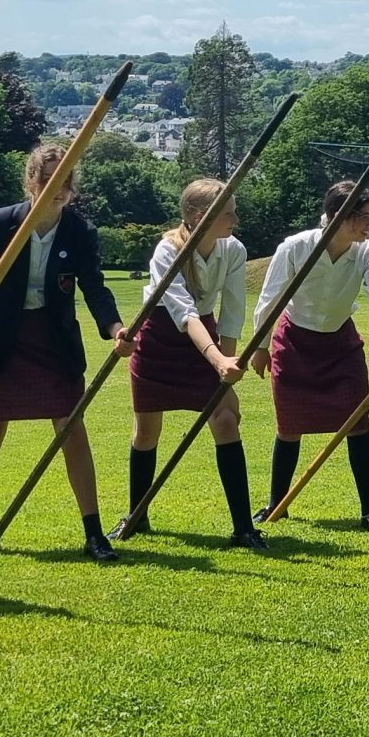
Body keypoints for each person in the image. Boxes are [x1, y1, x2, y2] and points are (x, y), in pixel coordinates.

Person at [0, 142, 128, 562]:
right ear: (31, 180)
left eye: (66, 180)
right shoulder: (0, 223)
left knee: (72, 430)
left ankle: (93, 533)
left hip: (54, 342)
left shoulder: (78, 231)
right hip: (1, 341)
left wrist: (116, 328)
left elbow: (94, 286)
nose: (58, 188)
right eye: (49, 178)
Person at [247, 180, 369, 529]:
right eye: (363, 217)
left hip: (341, 347)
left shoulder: (367, 253)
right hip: (294, 344)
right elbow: (270, 298)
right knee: (289, 428)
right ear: (338, 216)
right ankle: (277, 504)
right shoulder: (296, 247)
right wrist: (260, 347)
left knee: (357, 424)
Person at [120, 178, 258, 547]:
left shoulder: (234, 250)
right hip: (161, 338)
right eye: (228, 213)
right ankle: (137, 516)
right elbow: (184, 313)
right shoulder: (167, 251)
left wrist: (229, 363)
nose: (235, 219)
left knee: (227, 419)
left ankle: (243, 527)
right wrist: (217, 360)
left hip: (207, 337)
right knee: (147, 432)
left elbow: (232, 311)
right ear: (198, 215)